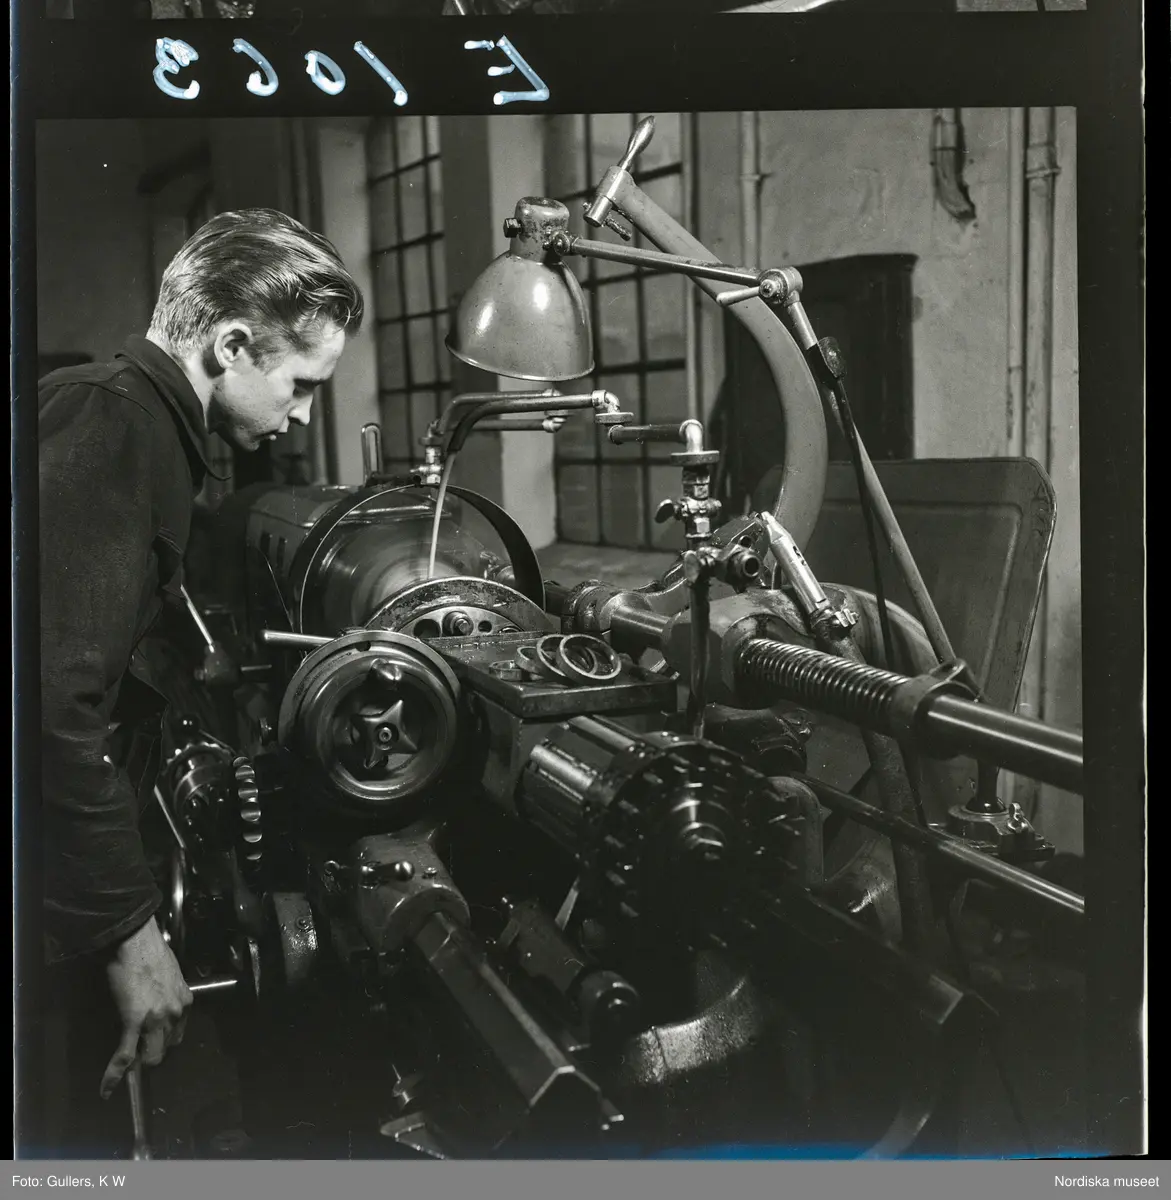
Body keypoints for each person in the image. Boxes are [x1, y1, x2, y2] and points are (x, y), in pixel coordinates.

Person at [36, 208, 364, 1155]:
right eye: (302, 384)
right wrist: (130, 933)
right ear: (232, 345)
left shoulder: (137, 423)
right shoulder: (113, 424)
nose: (303, 414)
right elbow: (51, 702)